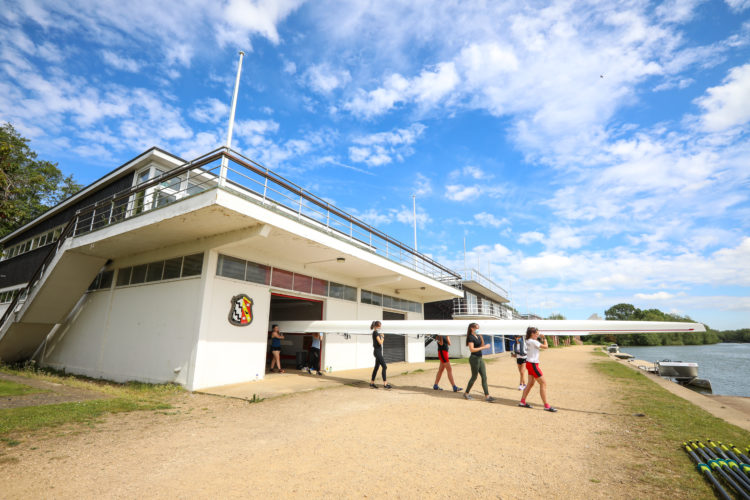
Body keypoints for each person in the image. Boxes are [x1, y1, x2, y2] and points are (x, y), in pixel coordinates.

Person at [519, 327, 557, 412]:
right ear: (532, 334)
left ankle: (522, 401)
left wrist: (539, 337)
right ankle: (546, 405)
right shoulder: (533, 341)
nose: (538, 335)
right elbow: (546, 347)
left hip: (530, 363)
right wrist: (544, 338)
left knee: (530, 383)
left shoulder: (529, 340)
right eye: (537, 333)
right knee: (543, 383)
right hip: (533, 364)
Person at [463, 323, 493, 402]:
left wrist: (481, 338)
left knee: (484, 377)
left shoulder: (478, 336)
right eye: (477, 328)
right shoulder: (470, 337)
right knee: (474, 377)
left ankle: (487, 396)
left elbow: (481, 345)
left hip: (480, 358)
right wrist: (484, 347)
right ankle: (466, 393)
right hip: (474, 358)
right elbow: (472, 349)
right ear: (472, 328)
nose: (478, 329)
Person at [370, 321, 391, 389]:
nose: (380, 328)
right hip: (377, 352)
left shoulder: (376, 333)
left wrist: (381, 336)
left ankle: (372, 383)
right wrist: (383, 337)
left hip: (377, 352)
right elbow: (380, 342)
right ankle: (385, 384)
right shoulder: (375, 333)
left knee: (376, 368)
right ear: (376, 326)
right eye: (379, 326)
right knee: (384, 367)